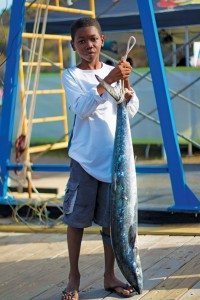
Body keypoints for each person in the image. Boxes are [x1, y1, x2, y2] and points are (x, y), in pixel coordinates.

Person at [61, 17, 139, 300]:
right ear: (73, 45)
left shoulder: (114, 71)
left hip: (114, 163)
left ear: (102, 40)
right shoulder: (71, 75)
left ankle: (109, 275)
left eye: (92, 39)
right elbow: (81, 109)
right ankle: (74, 276)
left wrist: (125, 84)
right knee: (76, 220)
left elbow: (130, 111)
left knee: (111, 222)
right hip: (84, 160)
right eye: (81, 41)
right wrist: (108, 81)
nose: (88, 45)